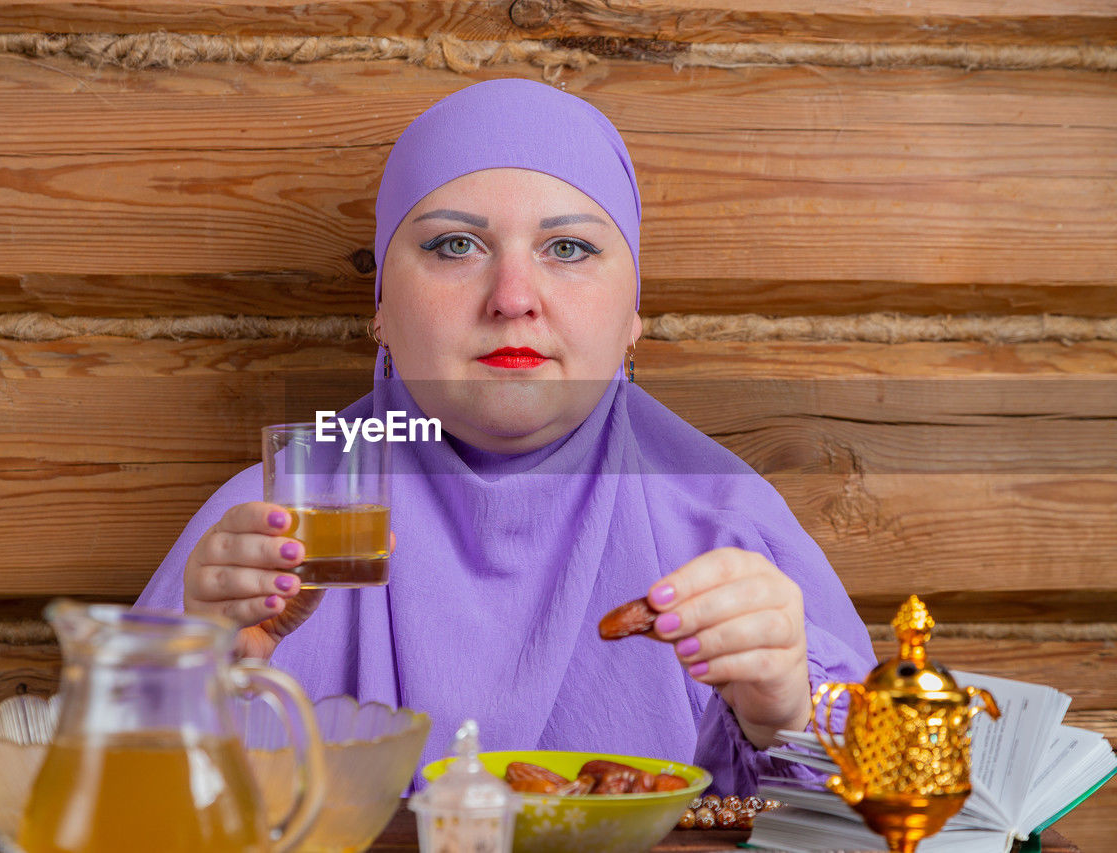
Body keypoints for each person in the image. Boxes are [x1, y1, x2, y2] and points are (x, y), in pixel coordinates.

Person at [137, 78, 874, 794]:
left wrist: (786, 720)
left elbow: (896, 813)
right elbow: (101, 805)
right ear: (382, 309)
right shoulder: (262, 538)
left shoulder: (733, 529)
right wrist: (195, 678)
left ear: (632, 318)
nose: (513, 298)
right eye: (456, 245)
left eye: (570, 249)